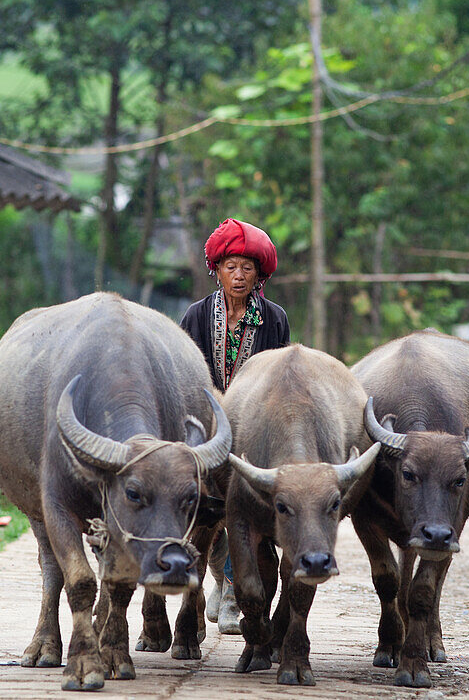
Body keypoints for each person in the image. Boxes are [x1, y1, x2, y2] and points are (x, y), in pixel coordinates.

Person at [180, 218, 290, 635]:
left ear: (260, 274)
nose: (239, 275)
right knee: (206, 513)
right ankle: (215, 579)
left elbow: (280, 375)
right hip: (207, 428)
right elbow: (189, 375)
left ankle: (231, 590)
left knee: (244, 512)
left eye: (247, 267)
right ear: (217, 271)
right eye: (231, 266)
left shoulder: (274, 319)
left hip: (254, 427)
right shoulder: (195, 315)